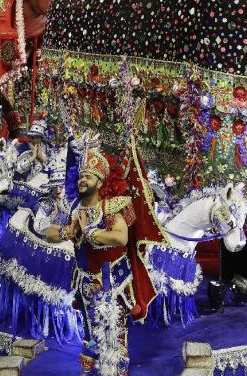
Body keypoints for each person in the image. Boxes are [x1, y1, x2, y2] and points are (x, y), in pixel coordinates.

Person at [44, 135, 163, 376]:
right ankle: (89, 371)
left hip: (113, 282)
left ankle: (118, 372)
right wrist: (69, 230)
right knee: (89, 333)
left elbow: (120, 237)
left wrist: (90, 232)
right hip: (84, 281)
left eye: (87, 177)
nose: (81, 181)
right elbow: (49, 233)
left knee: (115, 333)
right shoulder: (74, 208)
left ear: (99, 182)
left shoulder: (111, 206)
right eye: (80, 177)